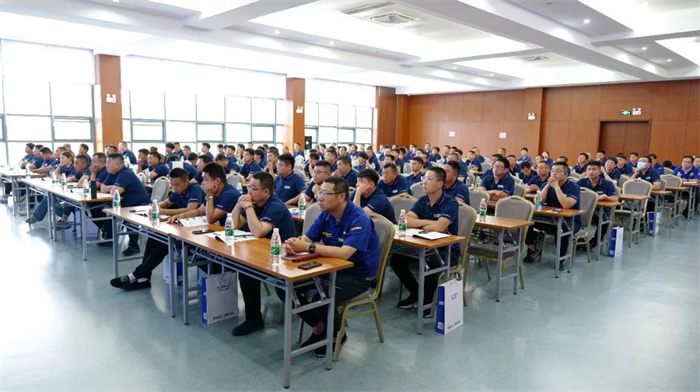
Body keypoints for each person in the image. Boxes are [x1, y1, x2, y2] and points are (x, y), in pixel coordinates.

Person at [278, 177, 380, 357]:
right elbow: (308, 239)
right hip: (330, 268)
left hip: (358, 275)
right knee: (284, 286)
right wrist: (294, 243)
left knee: (321, 295)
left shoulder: (359, 218)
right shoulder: (326, 213)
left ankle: (337, 335)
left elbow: (345, 253)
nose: (319, 197)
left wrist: (308, 247)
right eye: (319, 193)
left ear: (341, 197)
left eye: (325, 194)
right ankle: (319, 327)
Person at [109, 168, 205, 291]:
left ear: (187, 181)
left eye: (177, 185)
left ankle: (137, 275)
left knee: (163, 243)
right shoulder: (178, 192)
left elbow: (190, 210)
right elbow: (165, 203)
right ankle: (143, 278)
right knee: (154, 236)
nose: (174, 188)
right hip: (182, 226)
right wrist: (154, 206)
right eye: (172, 185)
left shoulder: (195, 189)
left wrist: (163, 211)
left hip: (195, 230)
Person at [227, 171, 296, 336]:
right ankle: (254, 318)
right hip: (262, 252)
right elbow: (235, 225)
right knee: (243, 269)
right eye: (248, 188)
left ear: (266, 192)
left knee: (247, 273)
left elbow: (258, 231)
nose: (249, 192)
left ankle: (254, 320)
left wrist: (248, 206)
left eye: (253, 188)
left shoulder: (275, 206)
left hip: (283, 257)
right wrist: (239, 204)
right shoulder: (256, 203)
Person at [390, 167, 459, 312]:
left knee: (430, 263)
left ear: (440, 184)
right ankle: (416, 292)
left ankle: (426, 302)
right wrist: (429, 223)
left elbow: (440, 227)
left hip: (446, 251)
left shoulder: (450, 203)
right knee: (396, 259)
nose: (424, 182)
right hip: (422, 246)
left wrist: (426, 223)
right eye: (424, 178)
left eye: (429, 179)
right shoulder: (422, 200)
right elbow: (406, 220)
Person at [523, 162, 581, 269]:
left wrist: (556, 187)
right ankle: (532, 249)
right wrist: (547, 187)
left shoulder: (574, 187)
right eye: (552, 171)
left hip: (570, 220)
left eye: (558, 171)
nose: (554, 173)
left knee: (562, 229)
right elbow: (538, 202)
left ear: (566, 174)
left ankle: (561, 258)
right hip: (550, 218)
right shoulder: (547, 185)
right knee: (527, 222)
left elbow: (566, 205)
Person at [96, 154, 152, 255]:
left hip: (138, 204)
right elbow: (102, 188)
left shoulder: (125, 173)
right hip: (125, 202)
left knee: (129, 218)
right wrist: (115, 187)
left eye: (109, 163)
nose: (106, 165)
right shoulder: (112, 173)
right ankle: (109, 237)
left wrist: (114, 189)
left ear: (117, 165)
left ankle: (134, 245)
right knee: (99, 208)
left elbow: (114, 193)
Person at [170, 162, 241, 226]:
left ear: (217, 181)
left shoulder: (229, 194)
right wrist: (182, 216)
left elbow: (211, 219)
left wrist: (209, 194)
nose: (202, 183)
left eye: (205, 179)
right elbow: (199, 211)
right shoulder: (214, 191)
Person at [576, 161, 619, 250]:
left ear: (600, 172)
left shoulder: (607, 184)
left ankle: (593, 243)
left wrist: (605, 197)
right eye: (589, 169)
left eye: (594, 169)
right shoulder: (581, 182)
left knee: (604, 221)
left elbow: (615, 199)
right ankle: (578, 240)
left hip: (600, 210)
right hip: (583, 209)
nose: (591, 172)